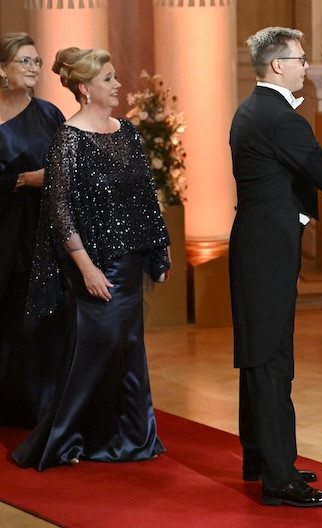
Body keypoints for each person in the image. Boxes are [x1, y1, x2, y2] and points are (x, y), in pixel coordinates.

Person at [13, 47, 171, 470]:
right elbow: (59, 211)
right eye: (108, 79)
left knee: (129, 348)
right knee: (94, 352)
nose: (118, 85)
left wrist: (159, 246)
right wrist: (86, 268)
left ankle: (132, 437)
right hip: (95, 264)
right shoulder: (68, 140)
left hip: (130, 260)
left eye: (115, 77)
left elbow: (145, 194)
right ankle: (65, 438)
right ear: (85, 88)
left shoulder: (127, 131)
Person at [229, 27, 322, 507]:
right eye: (301, 59)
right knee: (271, 358)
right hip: (267, 250)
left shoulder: (252, 109)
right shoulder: (281, 119)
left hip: (257, 244)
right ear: (278, 65)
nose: (306, 66)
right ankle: (279, 479)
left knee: (260, 354)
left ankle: (263, 458)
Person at [0, 32, 66, 427]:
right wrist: (24, 180)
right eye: (25, 61)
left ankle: (40, 407)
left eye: (37, 61)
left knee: (41, 322)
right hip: (5, 231)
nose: (34, 68)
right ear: (2, 69)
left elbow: (67, 169)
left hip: (43, 232)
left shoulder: (50, 115)